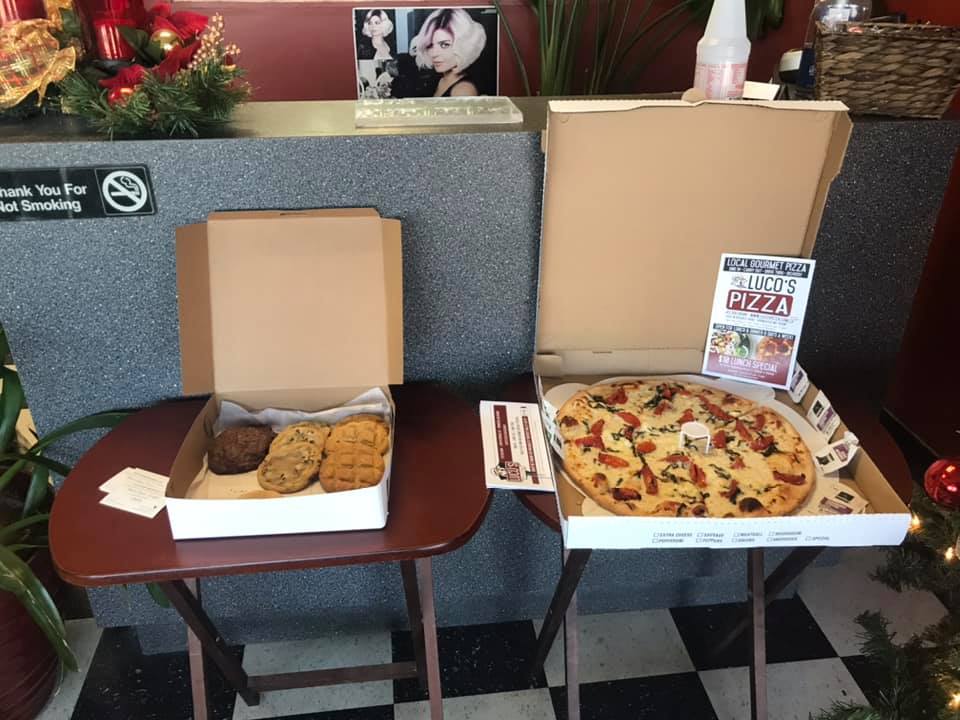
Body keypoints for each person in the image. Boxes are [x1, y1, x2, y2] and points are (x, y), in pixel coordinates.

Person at [409, 8, 486, 97]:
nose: (434, 54)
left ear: (463, 45)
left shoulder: (463, 91)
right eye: (430, 45)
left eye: (444, 45)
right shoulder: (439, 79)